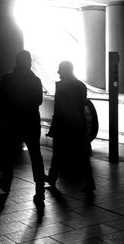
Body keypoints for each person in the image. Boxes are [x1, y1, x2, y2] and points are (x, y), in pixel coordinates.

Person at [0, 50, 46, 203]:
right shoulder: (35, 80)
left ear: (17, 62)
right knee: (35, 154)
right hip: (31, 121)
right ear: (29, 62)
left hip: (14, 121)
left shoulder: (8, 79)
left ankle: (6, 181)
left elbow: (0, 99)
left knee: (10, 153)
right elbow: (38, 101)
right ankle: (40, 188)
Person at [46, 61, 95, 195]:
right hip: (77, 126)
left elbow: (60, 110)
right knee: (81, 155)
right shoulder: (80, 86)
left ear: (66, 70)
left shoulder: (63, 87)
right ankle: (89, 181)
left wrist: (54, 127)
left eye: (60, 69)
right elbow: (79, 107)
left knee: (57, 154)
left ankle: (52, 178)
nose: (58, 72)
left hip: (63, 126)